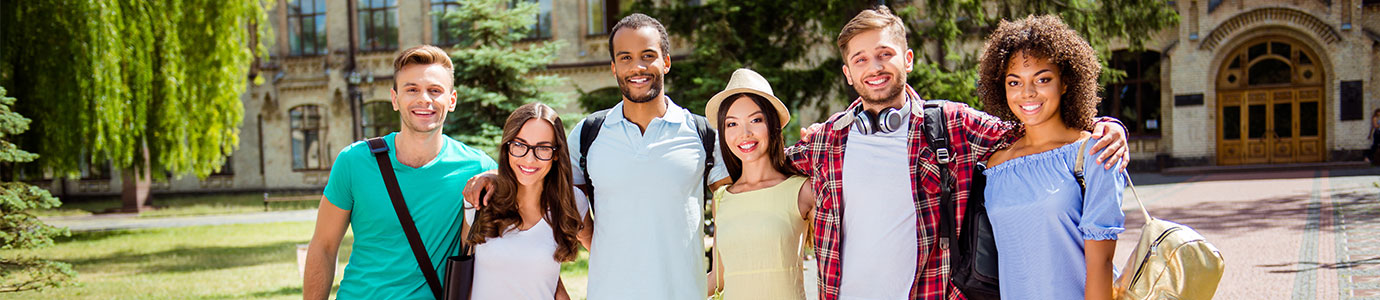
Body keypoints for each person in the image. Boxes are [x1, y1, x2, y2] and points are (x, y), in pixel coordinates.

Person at [788, 6, 1129, 300]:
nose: (874, 67)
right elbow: (758, 162)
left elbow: (1035, 127)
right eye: (860, 60)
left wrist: (1106, 127)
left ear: (907, 59)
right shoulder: (827, 141)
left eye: (885, 54)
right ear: (848, 73)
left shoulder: (952, 125)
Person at [463, 13, 730, 300]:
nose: (637, 67)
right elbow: (549, 191)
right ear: (614, 67)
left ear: (666, 61)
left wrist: (713, 280)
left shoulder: (704, 134)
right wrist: (496, 179)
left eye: (648, 55)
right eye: (625, 58)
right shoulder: (589, 134)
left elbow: (733, 211)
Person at [304, 45, 498, 300]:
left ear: (452, 101)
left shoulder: (477, 169)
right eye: (412, 89)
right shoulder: (353, 162)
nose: (424, 99)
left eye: (435, 90)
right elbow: (324, 247)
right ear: (395, 99)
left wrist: (500, 176)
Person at [976, 15, 1126, 300]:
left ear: (1065, 82)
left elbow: (1101, 264)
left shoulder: (1095, 151)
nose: (1028, 93)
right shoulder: (995, 165)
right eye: (1014, 82)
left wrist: (1115, 127)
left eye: (1043, 79)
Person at [702, 68, 815, 299]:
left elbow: (834, 265)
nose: (744, 133)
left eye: (755, 120)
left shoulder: (802, 190)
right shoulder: (722, 198)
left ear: (772, 125)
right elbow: (718, 279)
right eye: (732, 124)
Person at [462, 103, 588, 300]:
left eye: (543, 148)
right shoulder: (480, 198)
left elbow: (602, 253)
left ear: (556, 153)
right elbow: (464, 275)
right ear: (507, 147)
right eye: (519, 145)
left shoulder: (571, 203)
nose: (529, 159)